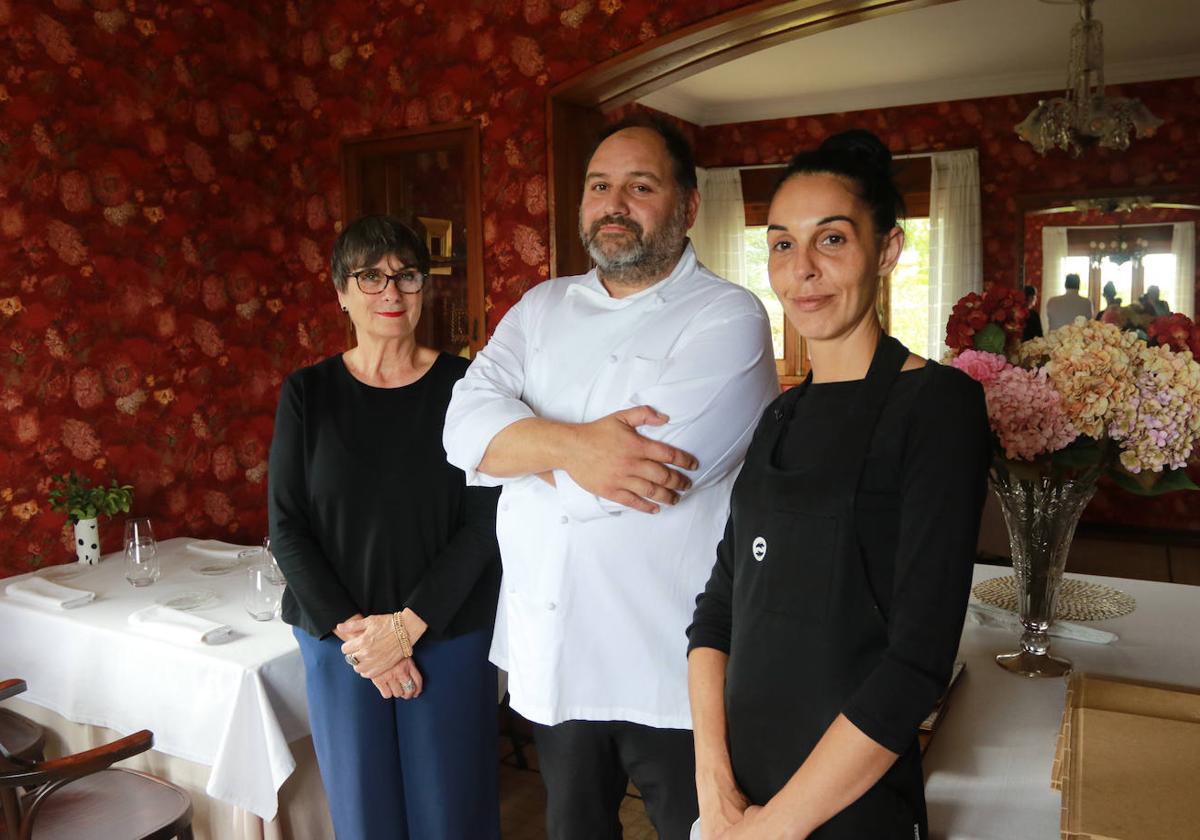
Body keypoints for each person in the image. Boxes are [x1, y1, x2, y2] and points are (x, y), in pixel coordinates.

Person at [443, 114, 778, 840]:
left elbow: (647, 477)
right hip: (554, 648)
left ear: (687, 206)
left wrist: (524, 446)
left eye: (639, 185)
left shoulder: (730, 317)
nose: (613, 202)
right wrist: (576, 448)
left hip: (671, 661)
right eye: (600, 185)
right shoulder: (540, 307)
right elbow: (461, 429)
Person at [687, 130, 991, 840]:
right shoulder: (781, 414)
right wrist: (712, 777)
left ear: (887, 250)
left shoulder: (939, 407)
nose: (802, 271)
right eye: (783, 244)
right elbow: (719, 609)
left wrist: (774, 830)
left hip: (847, 803)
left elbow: (916, 664)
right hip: (738, 787)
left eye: (831, 240)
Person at [268, 215, 502, 840]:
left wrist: (407, 628)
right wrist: (366, 643)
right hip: (340, 645)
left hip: (446, 634)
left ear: (426, 288)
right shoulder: (307, 394)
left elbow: (487, 523)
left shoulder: (468, 388)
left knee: (452, 813)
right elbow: (286, 526)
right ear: (341, 291)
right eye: (369, 277)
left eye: (406, 276)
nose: (390, 292)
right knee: (364, 816)